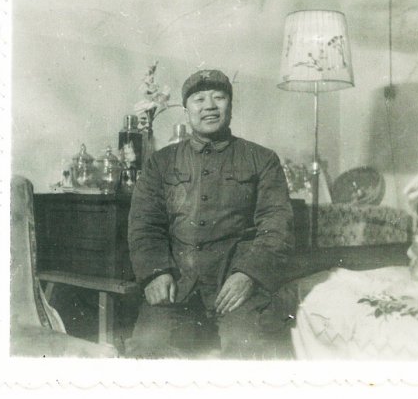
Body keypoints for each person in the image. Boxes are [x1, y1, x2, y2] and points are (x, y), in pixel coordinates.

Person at [126, 69, 295, 359]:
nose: (210, 106)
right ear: (186, 110)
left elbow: (277, 225)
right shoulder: (160, 162)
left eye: (219, 97)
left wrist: (248, 275)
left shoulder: (263, 159)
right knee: (146, 348)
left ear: (231, 105)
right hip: (177, 284)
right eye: (199, 99)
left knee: (245, 350)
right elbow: (144, 224)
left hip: (235, 285)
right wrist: (155, 272)